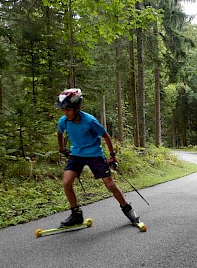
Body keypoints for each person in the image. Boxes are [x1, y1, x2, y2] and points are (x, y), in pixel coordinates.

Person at [56, 88, 139, 227]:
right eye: (63, 110)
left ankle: (127, 209)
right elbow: (59, 133)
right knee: (66, 183)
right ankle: (76, 215)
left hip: (94, 155)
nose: (65, 113)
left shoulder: (89, 120)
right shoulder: (63, 121)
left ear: (78, 107)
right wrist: (61, 148)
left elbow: (106, 136)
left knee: (109, 184)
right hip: (76, 155)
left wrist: (112, 156)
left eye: (68, 109)